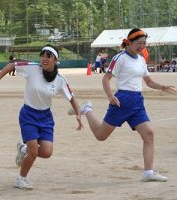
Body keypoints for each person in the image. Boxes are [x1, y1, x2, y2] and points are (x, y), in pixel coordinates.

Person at [69, 28, 177, 182]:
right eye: (139, 43)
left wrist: (162, 87)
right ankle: (87, 109)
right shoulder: (120, 58)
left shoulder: (141, 59)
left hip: (137, 102)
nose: (142, 46)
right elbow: (106, 79)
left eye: (144, 43)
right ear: (130, 42)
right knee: (101, 136)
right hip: (121, 101)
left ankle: (148, 172)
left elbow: (148, 81)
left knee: (149, 134)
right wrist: (110, 96)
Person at [0, 45, 83, 189]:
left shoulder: (60, 80)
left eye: (48, 56)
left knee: (47, 152)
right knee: (34, 151)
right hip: (28, 115)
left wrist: (78, 115)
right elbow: (13, 64)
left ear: (56, 60)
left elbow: (71, 98)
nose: (44, 59)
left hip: (46, 118)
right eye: (42, 55)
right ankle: (21, 179)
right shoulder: (33, 68)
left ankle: (23, 150)